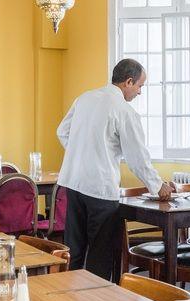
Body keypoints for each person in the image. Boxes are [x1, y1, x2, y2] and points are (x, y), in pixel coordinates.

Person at [56, 58, 172, 280]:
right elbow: (137, 158)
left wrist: (83, 153)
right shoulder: (124, 111)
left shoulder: (84, 98)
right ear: (128, 82)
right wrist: (158, 186)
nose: (139, 92)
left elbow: (62, 131)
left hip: (73, 182)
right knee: (100, 255)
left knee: (74, 251)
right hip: (100, 189)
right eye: (140, 86)